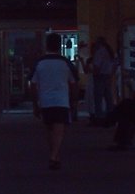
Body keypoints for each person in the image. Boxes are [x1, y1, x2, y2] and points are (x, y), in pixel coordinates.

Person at [29, 33, 79, 170]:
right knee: (59, 129)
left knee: (49, 129)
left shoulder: (40, 63)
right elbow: (74, 84)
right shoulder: (66, 63)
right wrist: (74, 102)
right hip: (62, 100)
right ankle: (54, 156)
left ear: (46, 45)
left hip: (45, 101)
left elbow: (33, 85)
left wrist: (35, 103)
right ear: (59, 45)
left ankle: (55, 156)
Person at [91, 36, 116, 122]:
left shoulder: (99, 52)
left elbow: (97, 66)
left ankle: (99, 117)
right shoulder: (109, 52)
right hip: (108, 75)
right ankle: (111, 115)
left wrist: (94, 74)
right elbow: (114, 65)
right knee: (108, 97)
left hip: (100, 76)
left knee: (98, 98)